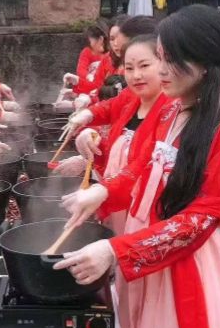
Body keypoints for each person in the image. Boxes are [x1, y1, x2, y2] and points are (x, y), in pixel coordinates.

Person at [56, 4, 220, 328]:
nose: (160, 71)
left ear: (204, 63)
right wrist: (103, 193)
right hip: (145, 257)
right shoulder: (169, 112)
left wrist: (117, 251)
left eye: (169, 60)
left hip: (183, 273)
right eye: (159, 57)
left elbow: (197, 222)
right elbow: (142, 171)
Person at [55, 36, 167, 237]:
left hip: (145, 204)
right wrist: (88, 118)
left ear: (165, 64)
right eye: (129, 68)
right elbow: (109, 107)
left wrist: (104, 189)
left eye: (144, 66)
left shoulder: (171, 109)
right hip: (117, 194)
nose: (136, 75)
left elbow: (146, 163)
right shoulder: (132, 97)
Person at [66, 15, 158, 104]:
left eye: (144, 65)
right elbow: (98, 87)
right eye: (112, 39)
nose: (116, 44)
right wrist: (78, 83)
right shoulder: (108, 58)